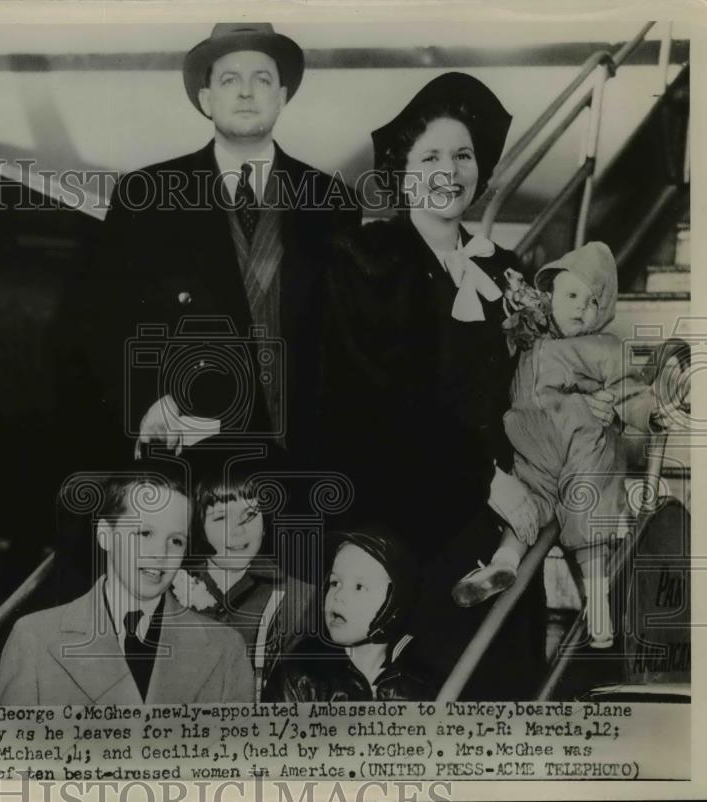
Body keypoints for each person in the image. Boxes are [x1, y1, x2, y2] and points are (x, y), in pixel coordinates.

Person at [322, 72, 551, 698]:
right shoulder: (367, 258)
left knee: (499, 684)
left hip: (499, 515)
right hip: (411, 514)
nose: (449, 169)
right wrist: (486, 478)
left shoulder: (504, 269)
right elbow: (380, 399)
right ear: (401, 172)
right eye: (430, 156)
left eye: (463, 155)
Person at [77, 22, 360, 464]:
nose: (246, 93)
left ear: (282, 97)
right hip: (192, 455)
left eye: (262, 80)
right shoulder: (146, 194)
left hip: (307, 460)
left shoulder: (333, 199)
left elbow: (351, 341)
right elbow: (102, 323)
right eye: (230, 80)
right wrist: (146, 406)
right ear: (206, 100)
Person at [452, 242, 668, 648]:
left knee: (584, 509)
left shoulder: (602, 348)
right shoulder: (532, 335)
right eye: (571, 296)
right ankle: (503, 565)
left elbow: (629, 389)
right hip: (533, 447)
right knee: (527, 506)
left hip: (581, 447)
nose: (581, 309)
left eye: (592, 303)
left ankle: (598, 604)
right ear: (550, 296)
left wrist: (649, 413)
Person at [0, 463, 254, 705]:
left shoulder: (226, 649)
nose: (160, 554)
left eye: (176, 540)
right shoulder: (33, 640)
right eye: (145, 533)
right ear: (105, 535)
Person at [170, 445, 316, 699]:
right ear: (197, 525)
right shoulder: (167, 588)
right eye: (220, 518)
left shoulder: (297, 598)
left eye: (249, 515)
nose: (237, 531)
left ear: (266, 522)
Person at [263, 528, 432, 702]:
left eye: (359, 587)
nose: (339, 595)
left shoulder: (425, 687)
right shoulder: (299, 678)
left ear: (395, 601)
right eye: (335, 583)